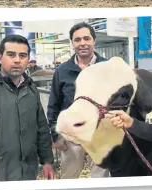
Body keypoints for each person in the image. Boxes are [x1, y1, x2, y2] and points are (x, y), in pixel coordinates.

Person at [47, 22, 109, 179]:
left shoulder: (107, 67)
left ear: (94, 40)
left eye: (87, 38)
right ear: (72, 43)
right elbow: (53, 106)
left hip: (100, 136)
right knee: (69, 178)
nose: (82, 43)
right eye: (77, 40)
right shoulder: (62, 71)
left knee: (100, 181)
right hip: (71, 138)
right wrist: (56, 136)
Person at [0, 35, 54, 181]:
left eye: (22, 55)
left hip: (28, 171)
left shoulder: (31, 90)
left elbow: (41, 128)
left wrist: (47, 161)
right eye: (11, 54)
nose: (17, 60)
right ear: (0, 56)